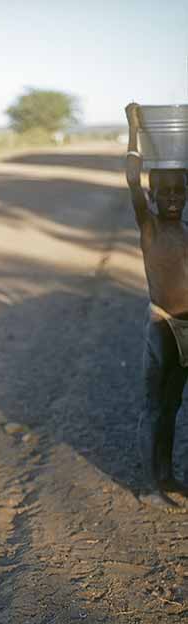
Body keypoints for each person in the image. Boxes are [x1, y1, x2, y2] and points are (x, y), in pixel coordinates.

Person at [126, 102, 188, 510]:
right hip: (164, 330)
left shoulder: (184, 229)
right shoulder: (149, 227)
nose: (171, 198)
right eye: (163, 192)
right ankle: (154, 483)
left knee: (176, 405)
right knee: (159, 408)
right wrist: (133, 129)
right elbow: (132, 178)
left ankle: (169, 477)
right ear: (151, 195)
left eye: (178, 191)